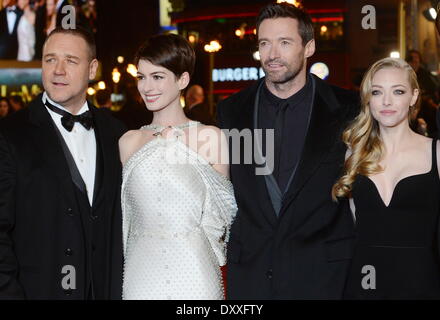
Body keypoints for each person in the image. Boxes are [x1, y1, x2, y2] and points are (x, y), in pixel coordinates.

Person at [216, 2, 359, 299]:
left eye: (284, 43)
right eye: (264, 43)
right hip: (252, 277)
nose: (272, 54)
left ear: (309, 47)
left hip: (324, 276)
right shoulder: (231, 111)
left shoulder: (348, 109)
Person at [0, 26, 126, 299]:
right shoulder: (9, 134)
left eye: (70, 60)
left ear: (92, 70)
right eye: (50, 59)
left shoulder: (117, 133)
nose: (58, 70)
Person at [119, 33, 237, 300]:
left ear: (182, 80)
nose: (146, 87)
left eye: (157, 76)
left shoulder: (210, 137)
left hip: (195, 274)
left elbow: (222, 218)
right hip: (140, 273)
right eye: (141, 77)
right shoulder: (128, 142)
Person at [333, 57, 440, 299]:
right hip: (362, 283)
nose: (387, 101)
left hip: (420, 283)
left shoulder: (437, 153)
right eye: (378, 92)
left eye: (398, 91)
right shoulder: (355, 152)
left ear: (413, 96)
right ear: (368, 98)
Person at [406, 50, 439, 137]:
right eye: (412, 61)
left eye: (417, 60)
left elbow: (433, 89)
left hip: (425, 108)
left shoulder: (425, 74)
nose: (415, 63)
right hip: (409, 108)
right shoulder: (404, 74)